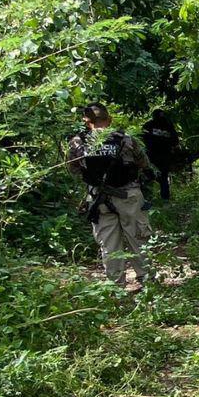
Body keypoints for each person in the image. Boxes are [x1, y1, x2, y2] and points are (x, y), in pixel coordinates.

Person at [67, 102, 153, 287]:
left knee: (109, 244)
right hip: (128, 195)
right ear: (110, 119)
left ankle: (116, 286)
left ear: (86, 122)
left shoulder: (78, 143)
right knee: (138, 238)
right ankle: (148, 282)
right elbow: (143, 163)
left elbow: (74, 170)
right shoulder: (126, 139)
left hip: (99, 199)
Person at [141, 108, 180, 200]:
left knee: (151, 176)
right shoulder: (168, 126)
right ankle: (162, 198)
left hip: (156, 155)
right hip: (159, 155)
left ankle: (149, 198)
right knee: (161, 176)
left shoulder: (151, 125)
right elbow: (175, 141)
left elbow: (142, 138)